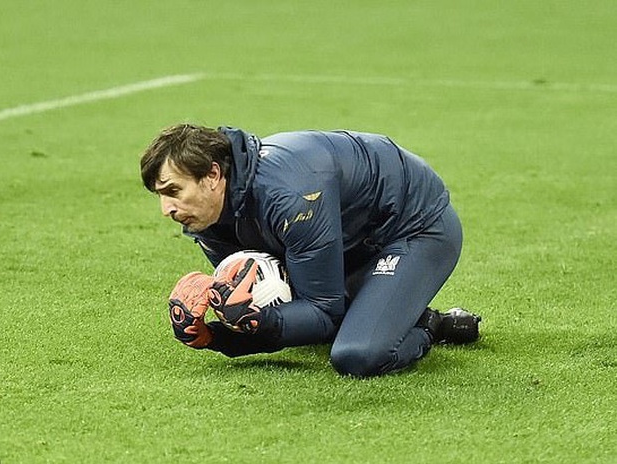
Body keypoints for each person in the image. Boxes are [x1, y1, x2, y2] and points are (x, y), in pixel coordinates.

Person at [140, 123, 481, 377]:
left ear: (213, 174)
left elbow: (321, 312)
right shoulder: (207, 218)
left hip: (414, 227)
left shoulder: (291, 197)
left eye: (174, 191)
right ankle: (385, 307)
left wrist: (260, 321)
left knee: (357, 355)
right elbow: (266, 306)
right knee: (311, 326)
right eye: (160, 196)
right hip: (351, 238)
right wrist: (212, 336)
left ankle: (429, 324)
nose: (166, 209)